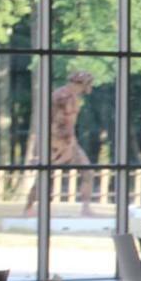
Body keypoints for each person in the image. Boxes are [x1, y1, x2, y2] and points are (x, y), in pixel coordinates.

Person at [25, 71, 95, 216]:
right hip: (55, 141)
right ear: (81, 83)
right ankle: (29, 207)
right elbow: (52, 121)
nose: (90, 87)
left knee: (87, 171)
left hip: (69, 141)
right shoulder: (61, 96)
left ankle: (86, 208)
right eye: (89, 83)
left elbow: (70, 124)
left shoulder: (74, 97)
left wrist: (71, 142)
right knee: (44, 176)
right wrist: (42, 147)